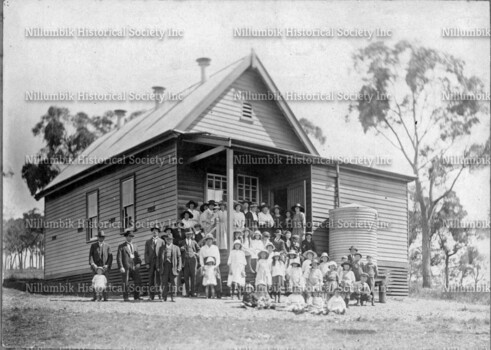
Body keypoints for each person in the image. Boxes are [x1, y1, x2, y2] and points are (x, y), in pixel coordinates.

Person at [117, 230, 142, 301]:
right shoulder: (121, 246)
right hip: (126, 267)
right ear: (126, 237)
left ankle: (137, 296)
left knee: (137, 281)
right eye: (129, 236)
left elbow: (138, 257)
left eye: (132, 236)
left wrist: (138, 264)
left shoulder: (135, 246)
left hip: (134, 266)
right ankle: (126, 297)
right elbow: (119, 257)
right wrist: (121, 266)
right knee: (125, 282)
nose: (131, 238)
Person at [157, 232, 182, 302]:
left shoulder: (176, 248)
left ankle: (173, 297)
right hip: (164, 267)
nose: (169, 240)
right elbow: (158, 258)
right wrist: (158, 267)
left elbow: (179, 258)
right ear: (165, 240)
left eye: (170, 239)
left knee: (174, 282)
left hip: (173, 266)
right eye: (167, 239)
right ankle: (164, 297)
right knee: (164, 282)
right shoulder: (162, 248)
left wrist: (179, 267)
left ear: (172, 240)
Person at [88, 231, 112, 301]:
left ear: (104, 238)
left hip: (104, 267)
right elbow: (91, 256)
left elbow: (110, 257)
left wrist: (107, 265)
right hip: (96, 267)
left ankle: (105, 297)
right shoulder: (93, 246)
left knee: (105, 282)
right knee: (95, 282)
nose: (101, 238)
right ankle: (95, 297)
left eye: (102, 237)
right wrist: (93, 264)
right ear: (98, 237)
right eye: (100, 237)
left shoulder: (108, 246)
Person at [144, 224, 165, 300]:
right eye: (153, 231)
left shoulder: (162, 241)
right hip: (151, 263)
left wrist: (162, 263)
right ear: (151, 232)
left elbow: (163, 253)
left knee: (159, 278)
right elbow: (146, 253)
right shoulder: (148, 242)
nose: (154, 232)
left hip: (159, 262)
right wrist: (147, 263)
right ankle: (151, 296)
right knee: (151, 279)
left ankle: (160, 294)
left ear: (158, 232)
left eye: (156, 231)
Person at [199, 233, 222, 298]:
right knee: (205, 279)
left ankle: (218, 293)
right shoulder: (202, 248)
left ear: (212, 241)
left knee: (217, 279)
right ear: (206, 241)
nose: (209, 241)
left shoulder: (215, 248)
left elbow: (218, 257)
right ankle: (206, 294)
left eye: (210, 240)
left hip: (214, 265)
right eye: (208, 240)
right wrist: (202, 266)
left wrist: (216, 266)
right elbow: (201, 258)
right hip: (206, 266)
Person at [179, 229, 200, 297]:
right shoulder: (182, 242)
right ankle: (187, 292)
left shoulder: (194, 242)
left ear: (191, 235)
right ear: (185, 234)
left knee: (193, 276)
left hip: (193, 261)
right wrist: (180, 249)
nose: (189, 235)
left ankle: (193, 292)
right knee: (186, 277)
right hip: (185, 261)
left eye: (190, 234)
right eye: (187, 234)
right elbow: (178, 251)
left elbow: (199, 249)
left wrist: (196, 253)